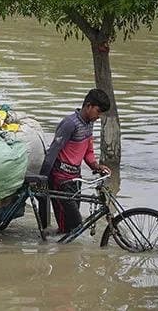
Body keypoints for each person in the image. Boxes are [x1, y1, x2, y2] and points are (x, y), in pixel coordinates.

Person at [40, 88, 113, 234]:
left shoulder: (89, 124)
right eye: (98, 111)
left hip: (75, 179)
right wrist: (42, 178)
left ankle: (60, 244)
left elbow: (88, 151)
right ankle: (58, 251)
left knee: (72, 225)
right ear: (89, 106)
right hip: (60, 179)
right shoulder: (69, 124)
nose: (99, 116)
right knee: (72, 224)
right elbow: (53, 151)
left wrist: (96, 166)